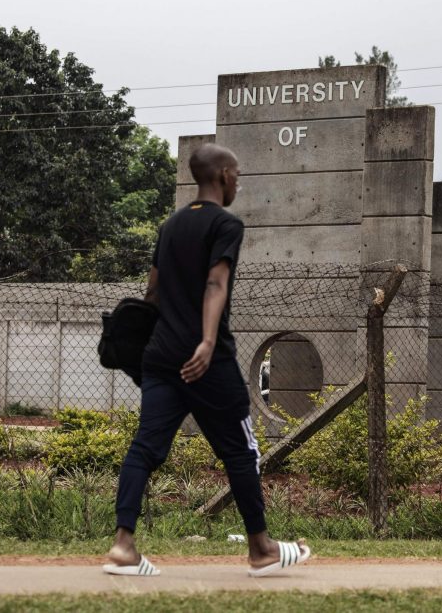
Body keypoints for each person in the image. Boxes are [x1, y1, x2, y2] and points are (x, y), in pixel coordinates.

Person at [104, 143, 310, 578]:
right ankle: (261, 548)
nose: (238, 182)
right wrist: (206, 341)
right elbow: (216, 283)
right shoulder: (225, 224)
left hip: (161, 358)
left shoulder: (170, 226)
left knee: (145, 448)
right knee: (241, 451)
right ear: (222, 175)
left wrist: (159, 344)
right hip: (208, 361)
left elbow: (152, 293)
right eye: (237, 174)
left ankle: (123, 546)